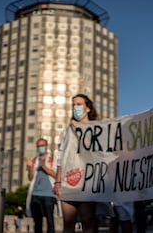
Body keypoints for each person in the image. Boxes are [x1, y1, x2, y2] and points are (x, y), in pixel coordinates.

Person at [53, 93, 99, 233]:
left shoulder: (95, 128)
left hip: (87, 181)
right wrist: (58, 181)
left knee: (87, 220)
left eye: (79, 105)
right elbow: (61, 157)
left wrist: (79, 130)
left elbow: (92, 151)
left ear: (87, 108)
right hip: (68, 180)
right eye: (73, 105)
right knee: (68, 222)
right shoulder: (67, 132)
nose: (75, 108)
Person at [25, 137, 58, 233]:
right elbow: (30, 178)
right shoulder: (35, 160)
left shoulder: (53, 158)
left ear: (46, 146)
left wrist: (44, 166)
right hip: (35, 194)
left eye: (42, 146)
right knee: (37, 223)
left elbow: (56, 175)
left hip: (49, 194)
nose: (40, 148)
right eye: (38, 146)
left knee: (50, 221)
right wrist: (31, 167)